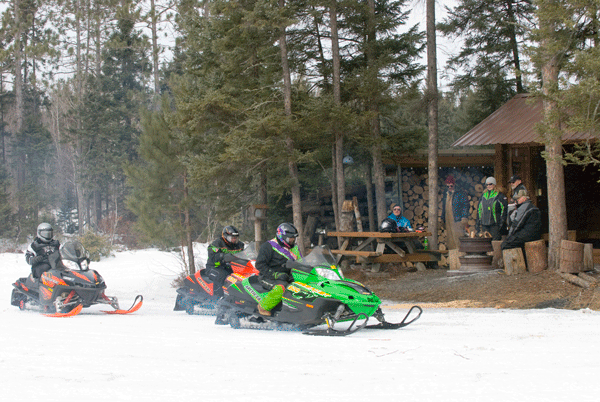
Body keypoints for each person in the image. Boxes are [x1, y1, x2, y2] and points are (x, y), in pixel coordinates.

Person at [255, 223, 302, 316]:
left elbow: (300, 263)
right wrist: (275, 274)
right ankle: (263, 307)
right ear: (282, 237)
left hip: (288, 276)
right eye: (290, 238)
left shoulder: (295, 248)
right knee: (281, 288)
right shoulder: (268, 246)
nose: (292, 240)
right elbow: (260, 264)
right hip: (269, 276)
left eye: (293, 238)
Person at [205, 226, 245, 295]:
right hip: (215, 267)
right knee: (222, 276)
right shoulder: (217, 244)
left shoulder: (239, 245)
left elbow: (244, 254)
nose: (234, 239)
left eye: (236, 238)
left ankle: (240, 296)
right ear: (225, 236)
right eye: (232, 238)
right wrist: (223, 256)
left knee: (242, 277)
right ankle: (218, 297)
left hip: (231, 266)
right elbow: (212, 256)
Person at [441, 175, 470, 250]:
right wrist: (442, 218)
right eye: (448, 186)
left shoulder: (460, 193)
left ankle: (460, 256)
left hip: (457, 219)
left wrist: (464, 217)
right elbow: (444, 207)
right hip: (448, 220)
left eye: (451, 186)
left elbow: (465, 205)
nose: (450, 187)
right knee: (450, 240)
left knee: (458, 239)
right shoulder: (445, 193)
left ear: (454, 184)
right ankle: (453, 257)